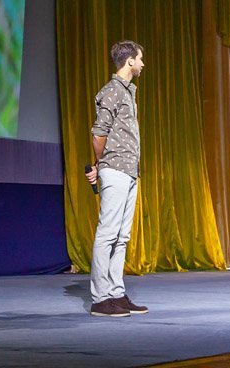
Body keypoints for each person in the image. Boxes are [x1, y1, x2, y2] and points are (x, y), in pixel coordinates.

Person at [85, 40, 149, 317]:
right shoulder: (112, 91)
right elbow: (99, 133)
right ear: (130, 61)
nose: (143, 64)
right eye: (140, 59)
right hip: (115, 168)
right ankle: (100, 298)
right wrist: (101, 164)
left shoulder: (128, 93)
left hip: (129, 170)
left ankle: (116, 293)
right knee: (107, 234)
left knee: (122, 237)